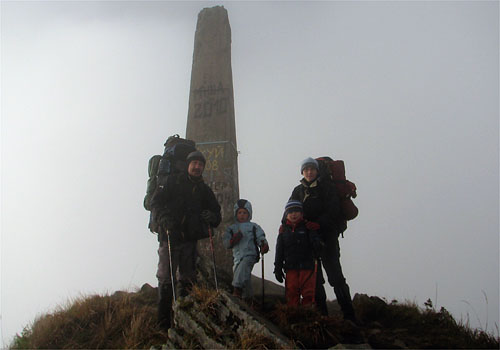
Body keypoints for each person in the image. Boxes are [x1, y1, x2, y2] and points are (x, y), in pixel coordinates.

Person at [150, 150, 222, 330]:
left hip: (190, 240)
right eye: (194, 163)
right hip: (170, 236)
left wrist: (211, 217)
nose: (197, 167)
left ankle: (185, 322)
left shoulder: (204, 190)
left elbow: (216, 213)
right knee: (166, 279)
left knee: (188, 280)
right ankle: (163, 325)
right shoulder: (173, 182)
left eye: (200, 165)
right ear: (187, 165)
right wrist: (164, 217)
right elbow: (156, 202)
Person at [290, 157, 357, 322]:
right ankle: (322, 316)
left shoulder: (327, 188)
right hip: (307, 240)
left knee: (335, 276)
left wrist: (317, 224)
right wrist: (285, 225)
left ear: (317, 171)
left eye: (312, 169)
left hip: (328, 237)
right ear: (302, 172)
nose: (309, 172)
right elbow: (290, 211)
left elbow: (333, 210)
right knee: (315, 279)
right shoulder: (298, 190)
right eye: (306, 169)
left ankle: (349, 316)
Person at [274, 200, 324, 307]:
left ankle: (308, 313)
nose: (293, 214)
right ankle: (293, 313)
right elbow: (279, 251)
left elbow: (316, 243)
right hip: (290, 267)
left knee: (308, 291)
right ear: (286, 215)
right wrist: (277, 268)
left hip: (307, 265)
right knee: (291, 291)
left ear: (302, 213)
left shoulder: (308, 228)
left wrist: (317, 244)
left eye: (296, 211)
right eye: (290, 212)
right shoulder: (283, 231)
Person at [223, 199, 269, 300]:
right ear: (236, 213)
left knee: (241, 273)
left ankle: (237, 289)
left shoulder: (253, 226)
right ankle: (249, 298)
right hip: (237, 258)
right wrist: (233, 239)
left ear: (249, 214)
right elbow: (226, 242)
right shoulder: (231, 228)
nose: (242, 215)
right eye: (239, 212)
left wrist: (263, 244)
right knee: (245, 276)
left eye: (244, 212)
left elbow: (260, 236)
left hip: (250, 255)